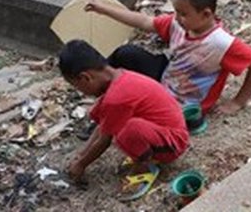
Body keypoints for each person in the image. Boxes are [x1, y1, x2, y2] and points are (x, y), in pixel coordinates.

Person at [85, 0, 251, 115]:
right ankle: (103, 97)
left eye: (183, 13)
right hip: (167, 77)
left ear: (206, 14)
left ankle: (112, 109)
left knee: (136, 112)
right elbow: (145, 22)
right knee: (125, 54)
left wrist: (238, 102)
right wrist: (104, 9)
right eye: (176, 11)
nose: (177, 17)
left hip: (184, 104)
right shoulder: (179, 24)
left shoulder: (221, 43)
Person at [60, 39, 190, 193]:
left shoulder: (116, 98)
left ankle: (144, 167)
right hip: (165, 131)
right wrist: (81, 155)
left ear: (86, 78)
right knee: (107, 113)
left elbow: (104, 139)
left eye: (77, 86)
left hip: (174, 143)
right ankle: (146, 152)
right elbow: (103, 125)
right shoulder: (120, 75)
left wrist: (81, 164)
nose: (81, 92)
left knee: (127, 132)